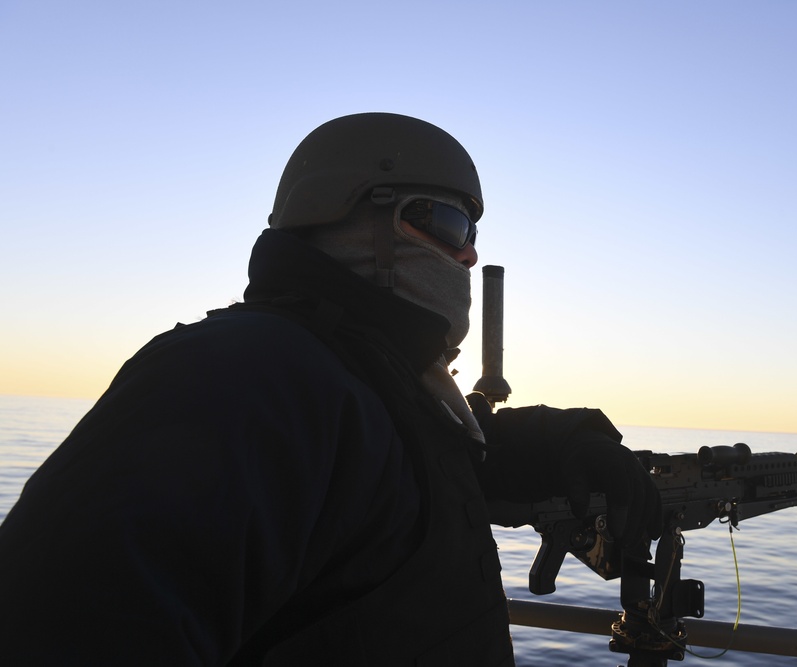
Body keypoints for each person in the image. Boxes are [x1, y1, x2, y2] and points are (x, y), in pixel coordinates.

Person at [0, 113, 662, 665]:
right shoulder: (241, 376)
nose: (466, 257)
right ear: (349, 215)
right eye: (450, 224)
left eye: (474, 236)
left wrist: (571, 444)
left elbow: (444, 464)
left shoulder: (374, 386)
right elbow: (64, 620)